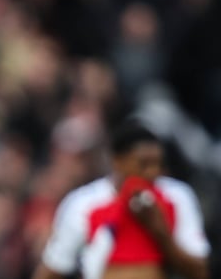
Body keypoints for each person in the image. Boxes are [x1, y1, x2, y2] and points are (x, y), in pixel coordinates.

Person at [33, 118, 211, 279]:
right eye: (144, 164)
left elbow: (200, 272)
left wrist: (160, 233)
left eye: (159, 164)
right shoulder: (85, 205)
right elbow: (54, 268)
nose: (153, 172)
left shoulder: (177, 197)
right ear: (117, 161)